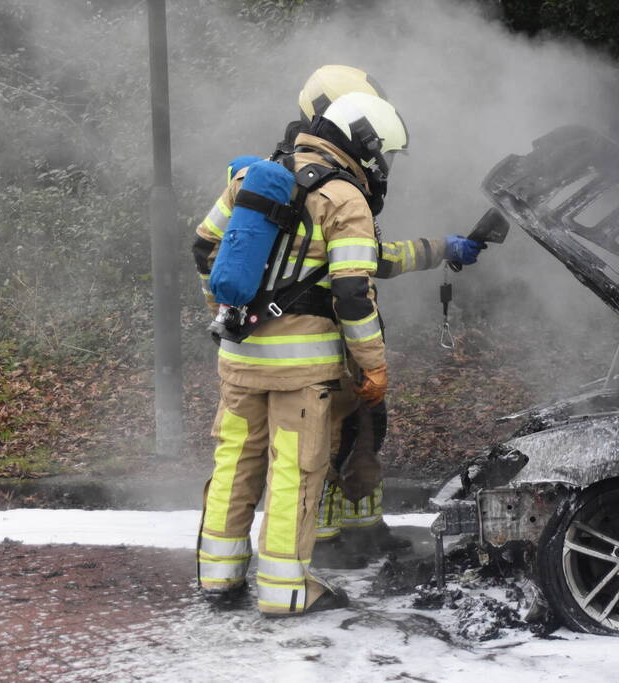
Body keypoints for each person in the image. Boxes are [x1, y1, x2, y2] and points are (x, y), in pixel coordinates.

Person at [218, 65, 484, 566]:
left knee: (361, 431)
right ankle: (318, 545)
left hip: (280, 348)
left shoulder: (267, 178)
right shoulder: (332, 189)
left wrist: (438, 248)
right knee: (323, 447)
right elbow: (354, 283)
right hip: (319, 349)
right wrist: (370, 358)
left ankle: (355, 533)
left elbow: (371, 257)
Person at [191, 90, 415, 616]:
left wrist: (228, 311)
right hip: (303, 372)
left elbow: (204, 246)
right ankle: (285, 590)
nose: (382, 167)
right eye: (383, 155)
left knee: (235, 464)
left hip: (240, 359)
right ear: (366, 144)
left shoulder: (252, 177)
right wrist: (372, 366)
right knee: (293, 471)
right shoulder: (344, 198)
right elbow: (354, 295)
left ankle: (219, 577)